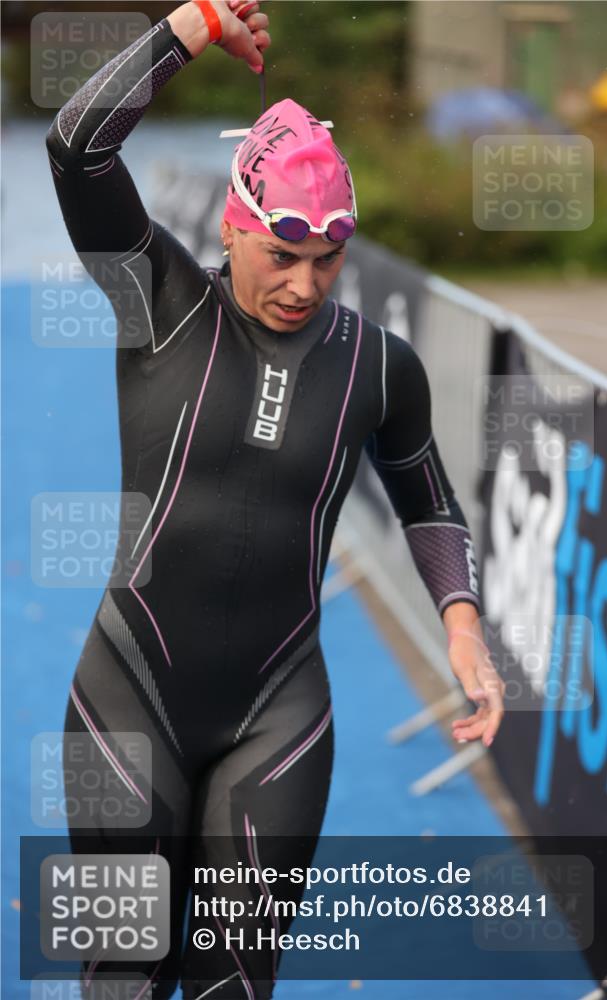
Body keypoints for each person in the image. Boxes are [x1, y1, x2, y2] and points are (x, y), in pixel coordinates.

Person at [45, 2, 505, 997]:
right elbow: (76, 148)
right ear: (232, 226)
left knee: (234, 984)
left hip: (278, 717)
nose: (304, 284)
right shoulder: (160, 306)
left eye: (328, 258)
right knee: (121, 975)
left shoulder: (379, 366)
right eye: (281, 254)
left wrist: (463, 626)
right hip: (126, 698)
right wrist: (192, 25)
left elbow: (428, 502)